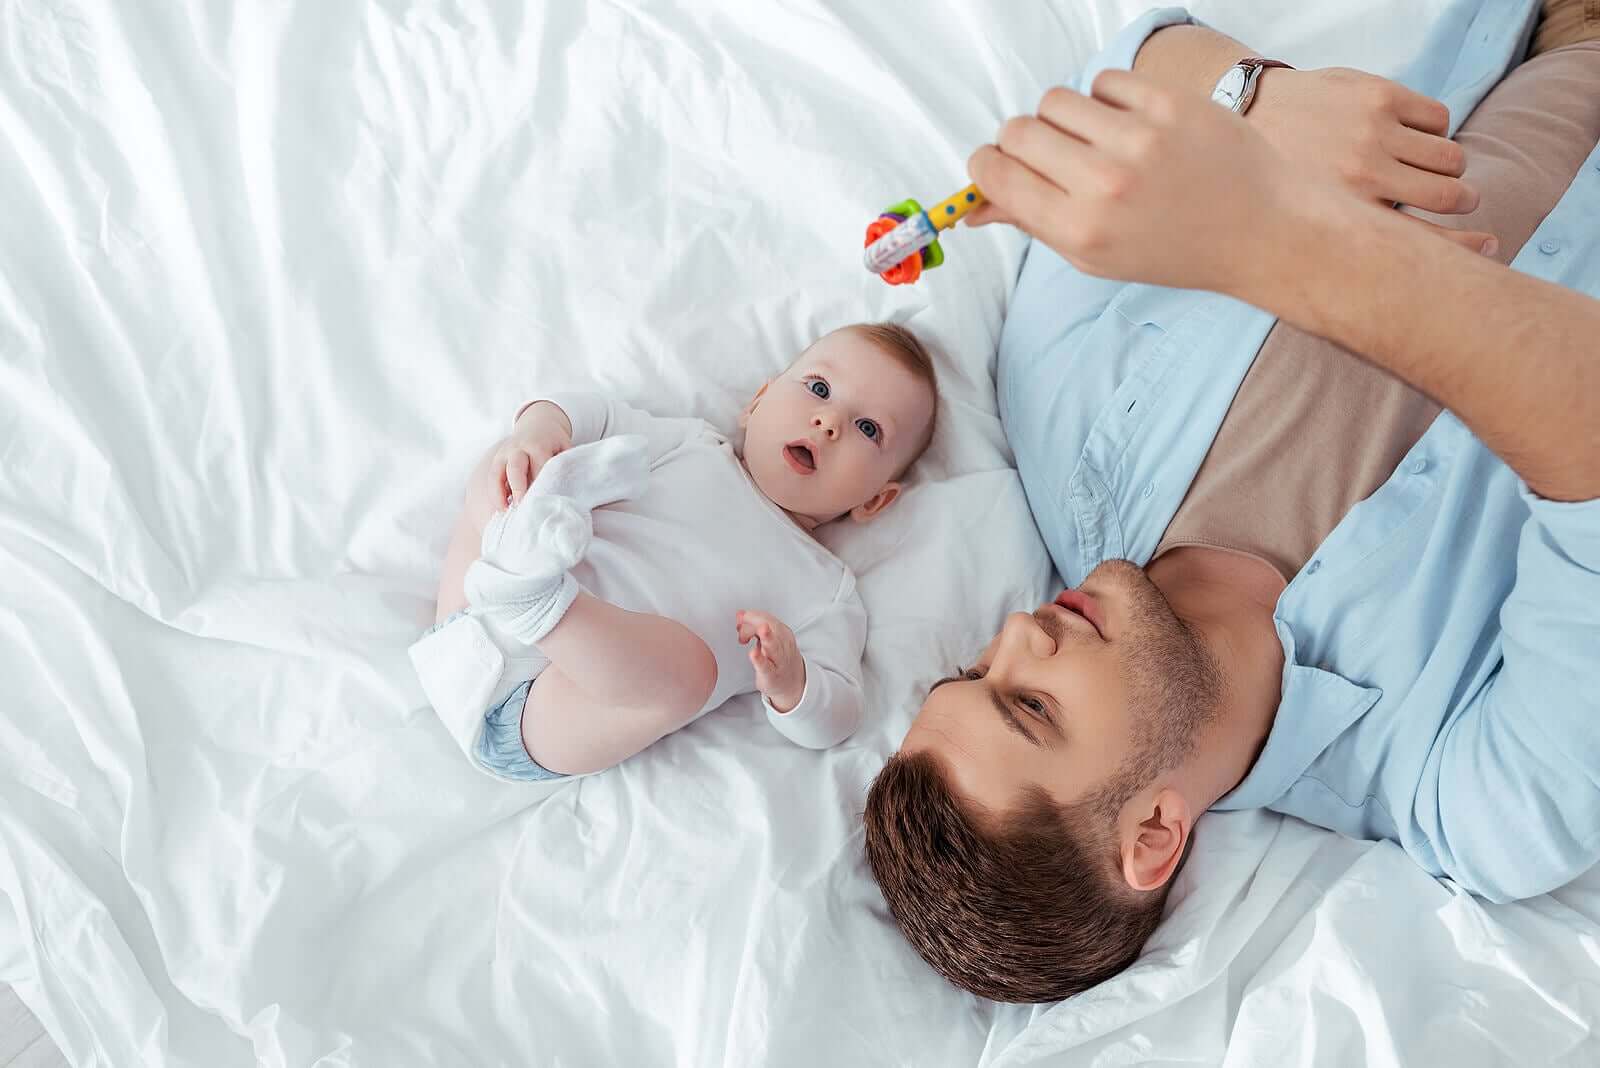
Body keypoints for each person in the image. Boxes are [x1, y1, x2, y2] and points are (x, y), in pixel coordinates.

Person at [862, 2, 1600, 1002]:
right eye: (1029, 706)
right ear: (1154, 836)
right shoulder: (1482, 796)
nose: (1017, 634)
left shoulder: (1059, 417)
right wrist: (1272, 243)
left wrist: (1252, 97)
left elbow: (1115, 87)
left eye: (973, 666)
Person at [409, 323, 937, 781]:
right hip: (467, 615)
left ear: (876, 500)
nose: (829, 422)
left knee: (689, 677)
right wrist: (538, 431)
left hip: (545, 714)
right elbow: (590, 411)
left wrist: (794, 682)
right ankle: (519, 574)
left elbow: (839, 716)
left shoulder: (827, 591)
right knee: (508, 467)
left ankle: (535, 599)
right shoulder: (689, 444)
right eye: (818, 387)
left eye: (868, 428)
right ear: (758, 402)